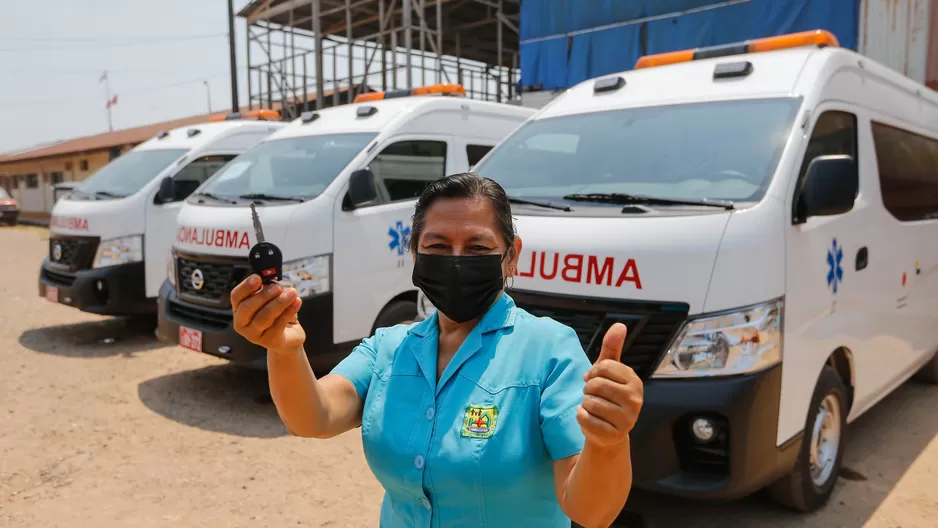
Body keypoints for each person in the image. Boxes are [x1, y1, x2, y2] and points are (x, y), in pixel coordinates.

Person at [230, 173, 644, 527]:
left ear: (511, 256)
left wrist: (608, 442)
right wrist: (283, 351)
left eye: (479, 248)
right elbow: (314, 416)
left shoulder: (549, 351)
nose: (457, 261)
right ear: (414, 252)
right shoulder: (389, 348)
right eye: (438, 247)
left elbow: (592, 512)